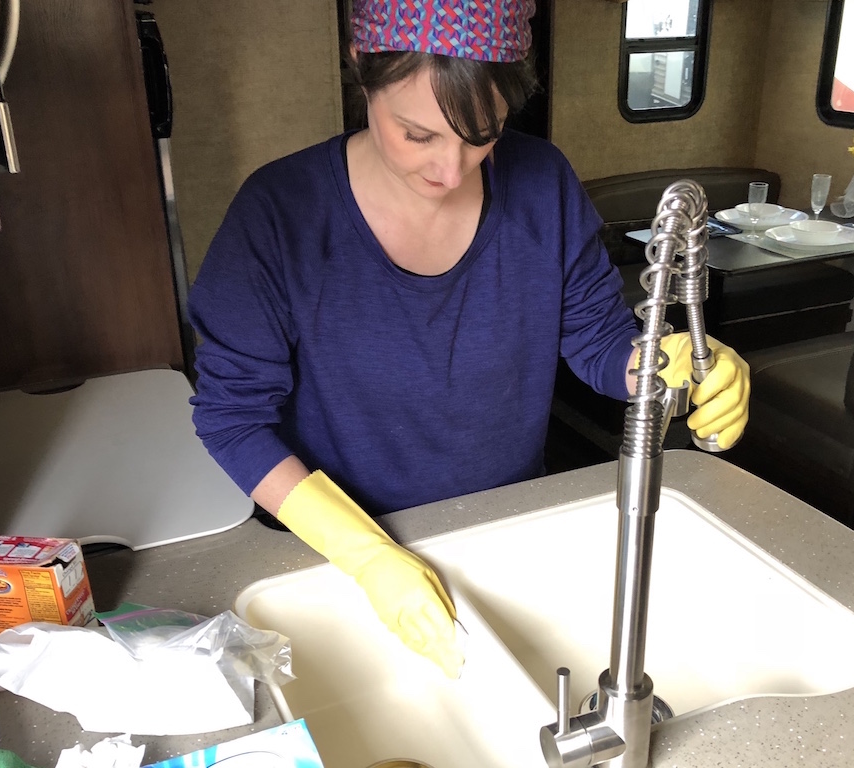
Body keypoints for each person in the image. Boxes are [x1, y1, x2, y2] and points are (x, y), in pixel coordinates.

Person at [187, 0, 750, 679]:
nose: (451, 171)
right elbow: (232, 418)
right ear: (362, 69)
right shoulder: (279, 215)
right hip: (333, 559)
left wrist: (677, 364)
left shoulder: (541, 183)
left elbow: (600, 341)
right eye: (417, 134)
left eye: (482, 134)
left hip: (508, 531)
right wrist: (365, 554)